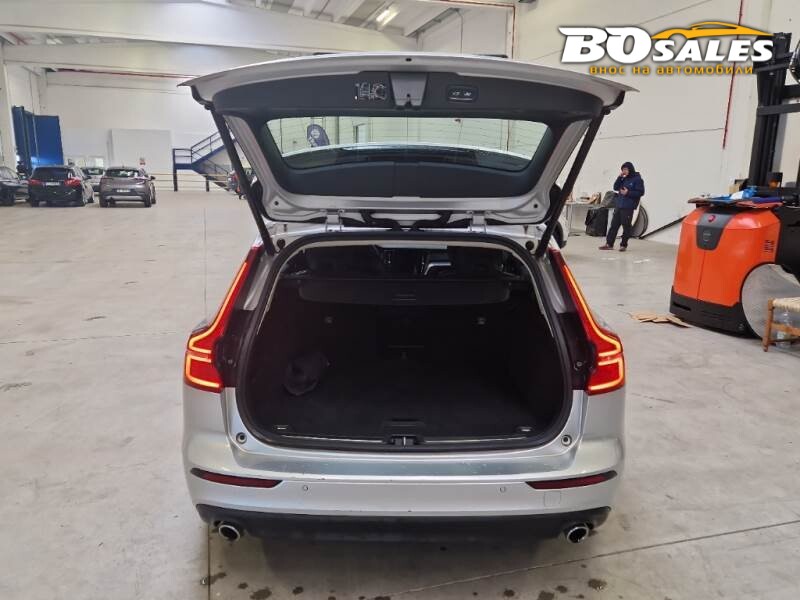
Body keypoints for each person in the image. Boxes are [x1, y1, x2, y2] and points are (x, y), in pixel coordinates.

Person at [599, 161, 645, 252]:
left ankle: (623, 245)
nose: (624, 171)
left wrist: (628, 193)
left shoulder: (638, 179)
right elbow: (615, 187)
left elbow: (640, 192)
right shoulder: (624, 179)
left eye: (626, 169)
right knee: (614, 226)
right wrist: (620, 177)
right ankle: (609, 244)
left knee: (626, 226)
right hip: (619, 205)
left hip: (628, 207)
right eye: (623, 169)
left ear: (630, 169)